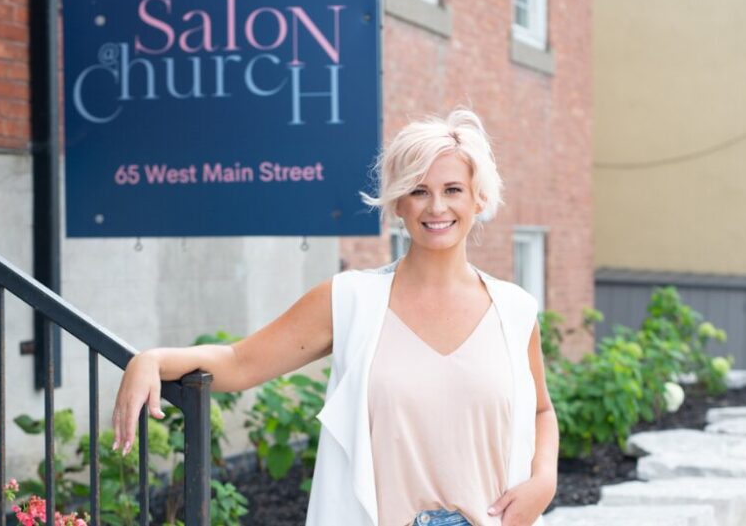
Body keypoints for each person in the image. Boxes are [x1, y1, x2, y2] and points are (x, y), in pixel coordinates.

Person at [112, 109, 558, 526]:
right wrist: (152, 360)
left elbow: (541, 409)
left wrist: (543, 480)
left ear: (478, 200)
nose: (436, 207)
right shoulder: (350, 300)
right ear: (397, 204)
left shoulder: (513, 309)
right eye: (418, 191)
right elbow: (241, 362)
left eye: (452, 190)